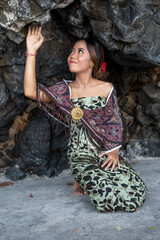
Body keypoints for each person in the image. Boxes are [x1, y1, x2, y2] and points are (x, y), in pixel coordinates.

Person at [24, 25, 146, 213]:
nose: (73, 55)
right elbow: (31, 92)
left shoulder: (106, 88)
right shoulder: (66, 91)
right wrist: (31, 52)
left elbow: (114, 123)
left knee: (135, 188)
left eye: (80, 51)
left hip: (103, 153)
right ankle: (82, 176)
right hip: (79, 157)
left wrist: (114, 152)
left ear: (92, 61)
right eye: (72, 51)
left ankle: (85, 179)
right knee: (105, 196)